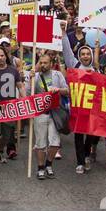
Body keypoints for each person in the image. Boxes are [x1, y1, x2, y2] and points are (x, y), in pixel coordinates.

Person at [31, 52, 69, 180]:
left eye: (45, 63)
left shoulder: (57, 75)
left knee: (55, 143)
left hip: (54, 113)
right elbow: (26, 94)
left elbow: (67, 91)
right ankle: (41, 168)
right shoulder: (35, 77)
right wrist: (28, 79)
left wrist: (58, 89)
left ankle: (49, 164)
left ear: (51, 64)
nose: (43, 65)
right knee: (40, 143)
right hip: (40, 114)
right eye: (41, 63)